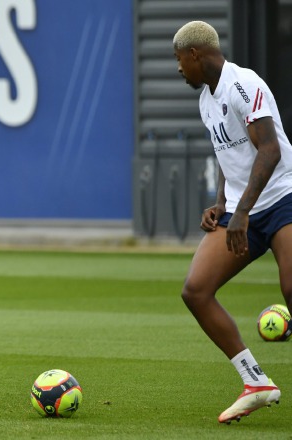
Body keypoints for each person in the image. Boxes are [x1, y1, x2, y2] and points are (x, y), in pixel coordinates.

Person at [173, 21, 289, 424]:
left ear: (195, 55)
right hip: (242, 209)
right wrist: (222, 201)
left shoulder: (244, 84)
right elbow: (229, 152)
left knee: (291, 287)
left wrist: (240, 213)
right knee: (195, 291)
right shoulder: (206, 99)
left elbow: (270, 150)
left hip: (283, 198)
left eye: (178, 60)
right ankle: (256, 382)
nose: (177, 70)